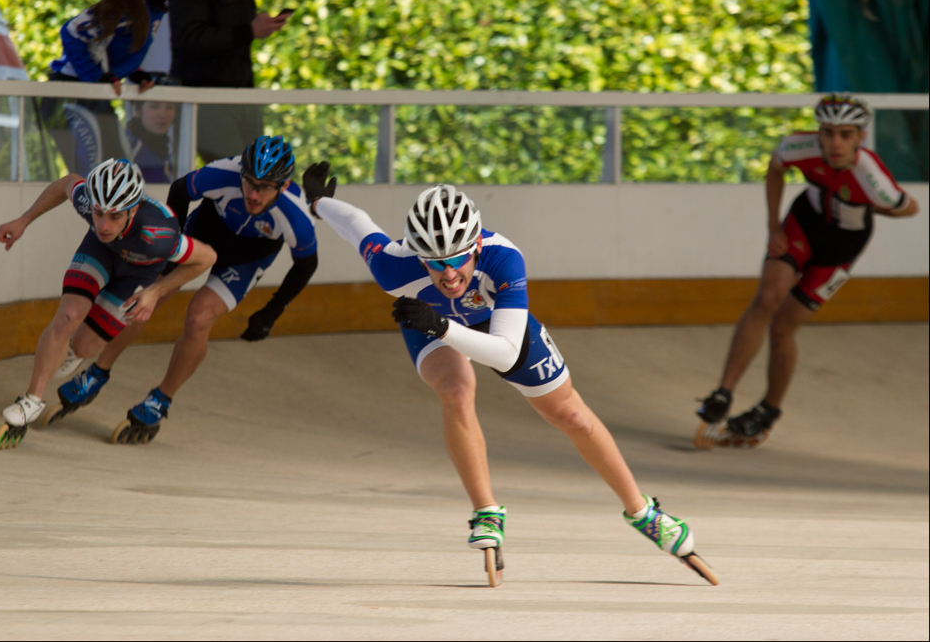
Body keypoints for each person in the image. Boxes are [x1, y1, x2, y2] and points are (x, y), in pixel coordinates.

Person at [301, 164, 718, 585]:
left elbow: (504, 352)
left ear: (476, 245)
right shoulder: (395, 268)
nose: (448, 274)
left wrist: (442, 326)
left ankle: (643, 512)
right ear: (417, 254)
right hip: (429, 321)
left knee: (570, 415)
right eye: (435, 262)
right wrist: (319, 203)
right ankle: (486, 513)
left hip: (483, 324)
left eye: (458, 259)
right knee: (456, 390)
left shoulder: (504, 259)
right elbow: (357, 225)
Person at [51, 136, 318, 440]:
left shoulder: (297, 217)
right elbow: (180, 188)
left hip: (245, 260)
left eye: (266, 187)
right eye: (250, 182)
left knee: (199, 319)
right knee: (145, 299)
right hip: (203, 232)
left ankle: (160, 399)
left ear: (283, 186)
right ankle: (98, 372)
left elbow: (306, 265)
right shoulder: (223, 173)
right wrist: (168, 240)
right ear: (241, 173)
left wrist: (271, 312)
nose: (254, 195)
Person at [694, 93, 920, 450]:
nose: (834, 143)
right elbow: (774, 168)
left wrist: (873, 206)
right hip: (803, 224)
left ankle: (768, 410)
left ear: (861, 137)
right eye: (828, 132)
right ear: (818, 132)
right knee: (766, 298)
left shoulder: (873, 177)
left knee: (784, 325)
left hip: (841, 248)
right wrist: (773, 227)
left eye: (846, 134)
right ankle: (723, 392)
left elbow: (909, 208)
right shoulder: (798, 146)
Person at [0, 158, 216, 450]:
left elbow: (207, 258)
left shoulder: (158, 234)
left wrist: (155, 292)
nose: (104, 224)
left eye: (115, 216)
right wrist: (23, 220)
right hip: (101, 252)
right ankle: (32, 399)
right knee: (69, 315)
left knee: (85, 347)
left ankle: (73, 350)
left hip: (139, 272)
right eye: (98, 213)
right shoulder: (89, 202)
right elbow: (65, 182)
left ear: (133, 210)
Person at [47, 0, 184, 174]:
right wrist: (96, 77)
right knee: (99, 175)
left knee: (116, 169)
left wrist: (133, 73)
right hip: (68, 94)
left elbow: (112, 51)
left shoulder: (150, 8)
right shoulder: (125, 8)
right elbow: (70, 32)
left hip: (86, 95)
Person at [168, 0, 292, 161]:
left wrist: (258, 28)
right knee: (233, 174)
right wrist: (248, 31)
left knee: (257, 170)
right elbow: (190, 39)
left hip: (244, 98)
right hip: (207, 101)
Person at [125, 100, 177, 183]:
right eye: (154, 107)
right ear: (138, 111)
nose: (163, 115)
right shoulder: (127, 145)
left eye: (169, 107)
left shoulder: (169, 147)